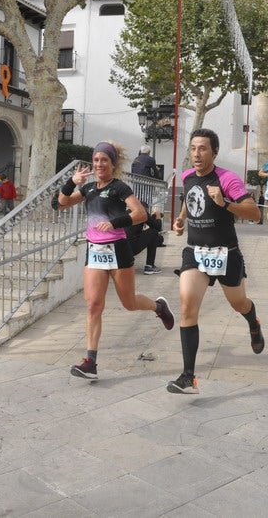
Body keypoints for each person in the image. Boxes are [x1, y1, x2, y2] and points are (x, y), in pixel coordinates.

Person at [57, 141, 175, 380]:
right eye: (96, 160)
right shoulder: (89, 188)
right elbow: (61, 203)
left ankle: (158, 307)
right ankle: (90, 362)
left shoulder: (120, 187)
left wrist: (114, 223)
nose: (99, 164)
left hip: (118, 250)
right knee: (93, 306)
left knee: (129, 303)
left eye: (104, 160)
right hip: (95, 251)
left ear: (113, 164)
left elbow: (140, 214)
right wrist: (72, 182)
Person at [168, 128, 264, 394]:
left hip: (226, 253)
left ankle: (253, 323)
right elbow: (189, 200)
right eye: (193, 149)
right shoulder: (187, 177)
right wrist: (180, 219)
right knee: (187, 305)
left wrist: (224, 203)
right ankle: (189, 377)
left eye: (203, 149)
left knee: (239, 304)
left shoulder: (227, 179)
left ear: (214, 151)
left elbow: (255, 213)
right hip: (196, 253)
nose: (197, 154)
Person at [126, 201, 164, 275]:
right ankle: (149, 266)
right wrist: (158, 215)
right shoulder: (142, 212)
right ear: (145, 209)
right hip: (131, 249)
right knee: (153, 232)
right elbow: (158, 227)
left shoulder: (125, 212)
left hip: (119, 250)